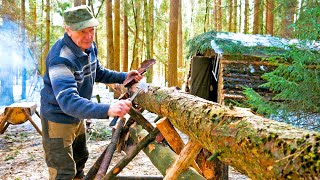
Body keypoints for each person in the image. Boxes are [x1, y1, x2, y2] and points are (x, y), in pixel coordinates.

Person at [40, 5, 143, 179]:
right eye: (83, 32)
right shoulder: (60, 59)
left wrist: (124, 76)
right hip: (57, 119)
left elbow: (97, 71)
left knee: (80, 159)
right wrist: (108, 109)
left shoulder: (88, 46)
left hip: (77, 115)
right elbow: (68, 101)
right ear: (68, 30)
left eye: (92, 31)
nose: (89, 37)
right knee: (63, 172)